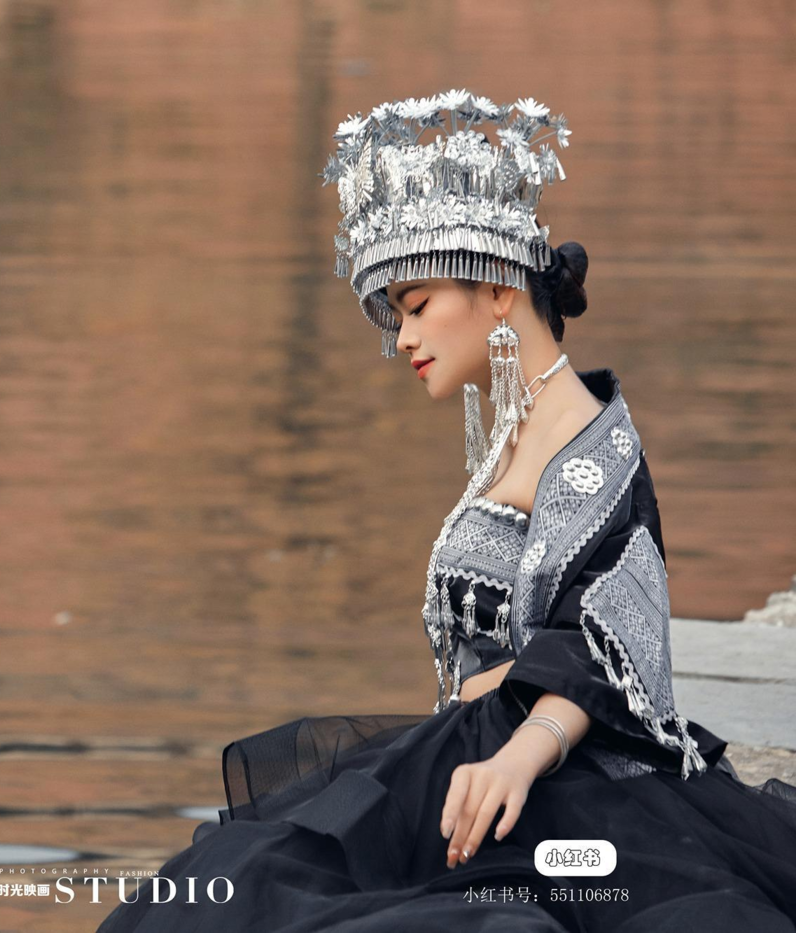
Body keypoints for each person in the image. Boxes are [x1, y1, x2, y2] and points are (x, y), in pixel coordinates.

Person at [95, 89, 796, 932]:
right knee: (227, 881)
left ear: (498, 289)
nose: (403, 339)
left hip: (547, 780)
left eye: (419, 306)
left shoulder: (595, 449)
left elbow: (601, 641)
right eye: (397, 316)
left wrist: (517, 757)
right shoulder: (513, 436)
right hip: (463, 755)